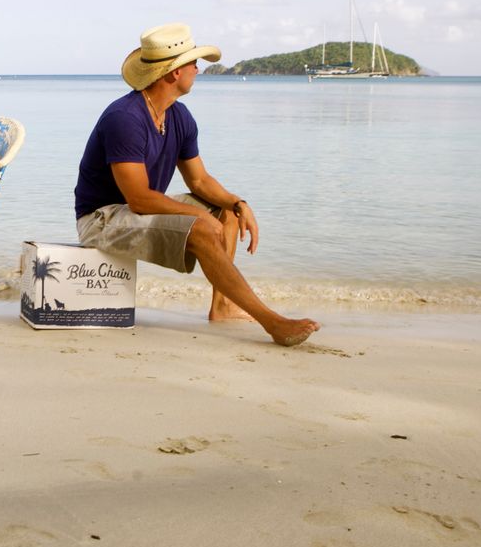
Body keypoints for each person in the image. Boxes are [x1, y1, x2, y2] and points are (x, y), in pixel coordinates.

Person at [74, 22, 320, 347]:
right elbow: (138, 199)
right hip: (101, 220)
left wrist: (237, 203)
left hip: (134, 210)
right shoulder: (125, 118)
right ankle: (272, 323)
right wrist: (199, 218)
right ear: (174, 72)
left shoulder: (179, 116)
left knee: (225, 214)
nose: (198, 69)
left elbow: (200, 180)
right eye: (193, 63)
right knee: (203, 225)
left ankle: (223, 306)